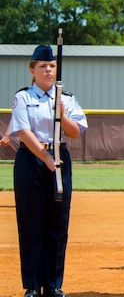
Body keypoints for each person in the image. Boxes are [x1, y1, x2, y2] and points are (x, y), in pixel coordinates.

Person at [9, 44, 88, 297]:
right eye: (42, 66)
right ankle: (32, 285)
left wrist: (62, 115)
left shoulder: (66, 98)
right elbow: (23, 131)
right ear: (32, 70)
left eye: (52, 66)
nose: (48, 70)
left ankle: (53, 284)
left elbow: (75, 132)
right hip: (32, 158)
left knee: (58, 221)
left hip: (59, 156)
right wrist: (44, 157)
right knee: (31, 223)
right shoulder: (23, 97)